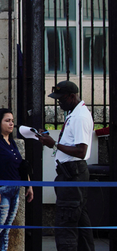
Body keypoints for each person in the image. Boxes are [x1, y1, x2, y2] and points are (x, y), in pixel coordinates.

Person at [39, 81, 95, 251]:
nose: (59, 103)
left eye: (61, 99)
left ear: (72, 96)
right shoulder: (74, 114)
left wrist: (54, 143)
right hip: (70, 173)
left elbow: (80, 150)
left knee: (66, 221)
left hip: (73, 173)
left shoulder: (79, 117)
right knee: (79, 219)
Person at [0, 108, 34, 251]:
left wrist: (29, 185)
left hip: (14, 190)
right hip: (0, 190)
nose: (11, 123)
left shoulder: (12, 143)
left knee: (5, 230)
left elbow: (22, 166)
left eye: (12, 121)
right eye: (7, 121)